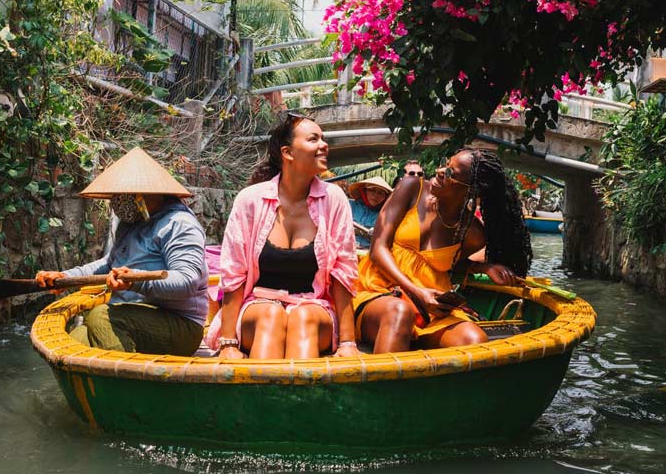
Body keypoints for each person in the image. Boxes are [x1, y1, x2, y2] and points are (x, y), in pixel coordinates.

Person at [208, 113, 360, 360]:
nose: (324, 145)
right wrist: (228, 344)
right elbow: (233, 274)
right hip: (257, 308)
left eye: (323, 138)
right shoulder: (250, 200)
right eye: (313, 139)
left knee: (303, 316)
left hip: (314, 309)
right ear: (288, 153)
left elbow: (343, 273)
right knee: (271, 314)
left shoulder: (334, 200)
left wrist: (348, 343)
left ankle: (297, 398)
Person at [353, 148, 532, 353]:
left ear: (469, 190)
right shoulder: (411, 188)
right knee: (400, 313)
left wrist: (484, 267)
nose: (439, 171)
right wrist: (416, 292)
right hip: (379, 290)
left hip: (431, 307)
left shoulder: (472, 233)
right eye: (445, 164)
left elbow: (446, 267)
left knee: (475, 340)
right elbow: (378, 248)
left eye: (449, 172)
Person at [35, 146, 208, 356]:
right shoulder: (130, 222)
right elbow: (110, 263)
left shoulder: (179, 224)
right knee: (76, 338)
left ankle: (131, 381)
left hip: (180, 324)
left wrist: (135, 281)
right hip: (129, 316)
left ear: (142, 195)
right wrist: (66, 277)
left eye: (122, 195)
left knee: (100, 316)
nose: (116, 201)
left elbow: (187, 281)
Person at [348, 175, 391, 248]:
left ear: (385, 197)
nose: (375, 195)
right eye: (372, 190)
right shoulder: (349, 205)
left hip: (366, 254)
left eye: (380, 193)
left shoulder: (385, 216)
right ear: (364, 191)